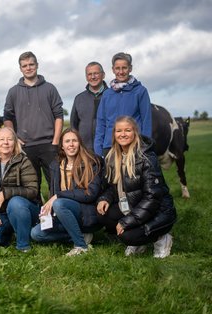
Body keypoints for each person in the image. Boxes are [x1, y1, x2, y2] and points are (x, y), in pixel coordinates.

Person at [96, 116, 176, 258]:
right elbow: (113, 187)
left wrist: (127, 221)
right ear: (114, 134)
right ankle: (139, 242)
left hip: (158, 212)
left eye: (128, 130)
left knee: (127, 236)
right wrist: (105, 199)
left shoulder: (146, 158)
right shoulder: (113, 157)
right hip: (134, 207)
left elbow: (152, 198)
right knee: (102, 214)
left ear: (135, 133)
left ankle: (162, 238)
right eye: (119, 131)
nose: (123, 134)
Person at [31, 128, 103, 256]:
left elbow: (90, 194)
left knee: (59, 203)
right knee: (36, 233)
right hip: (63, 213)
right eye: (67, 141)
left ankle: (80, 246)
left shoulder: (91, 162)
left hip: (85, 212)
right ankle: (80, 235)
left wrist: (57, 196)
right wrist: (47, 213)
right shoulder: (55, 165)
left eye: (74, 141)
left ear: (79, 143)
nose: (71, 144)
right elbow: (53, 192)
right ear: (62, 146)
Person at [3, 51, 64, 196]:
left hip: (49, 144)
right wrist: (14, 138)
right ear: (20, 68)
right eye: (25, 65)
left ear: (37, 65)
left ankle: (55, 215)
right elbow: (7, 117)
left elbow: (59, 116)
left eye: (31, 64)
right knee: (31, 186)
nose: (28, 68)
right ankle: (36, 215)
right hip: (26, 146)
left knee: (55, 183)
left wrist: (55, 141)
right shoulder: (13, 92)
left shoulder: (50, 88)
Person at [94, 52, 152, 157]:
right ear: (113, 69)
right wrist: (98, 151)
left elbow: (146, 121)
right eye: (117, 68)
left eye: (124, 68)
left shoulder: (140, 91)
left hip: (133, 147)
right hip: (109, 147)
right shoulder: (107, 94)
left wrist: (144, 148)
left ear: (130, 68)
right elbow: (101, 123)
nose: (121, 72)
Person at [70, 61, 108, 151]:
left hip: (107, 149)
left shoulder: (111, 96)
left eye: (96, 73)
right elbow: (73, 125)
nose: (93, 77)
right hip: (85, 149)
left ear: (103, 75)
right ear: (86, 77)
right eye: (89, 74)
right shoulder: (79, 98)